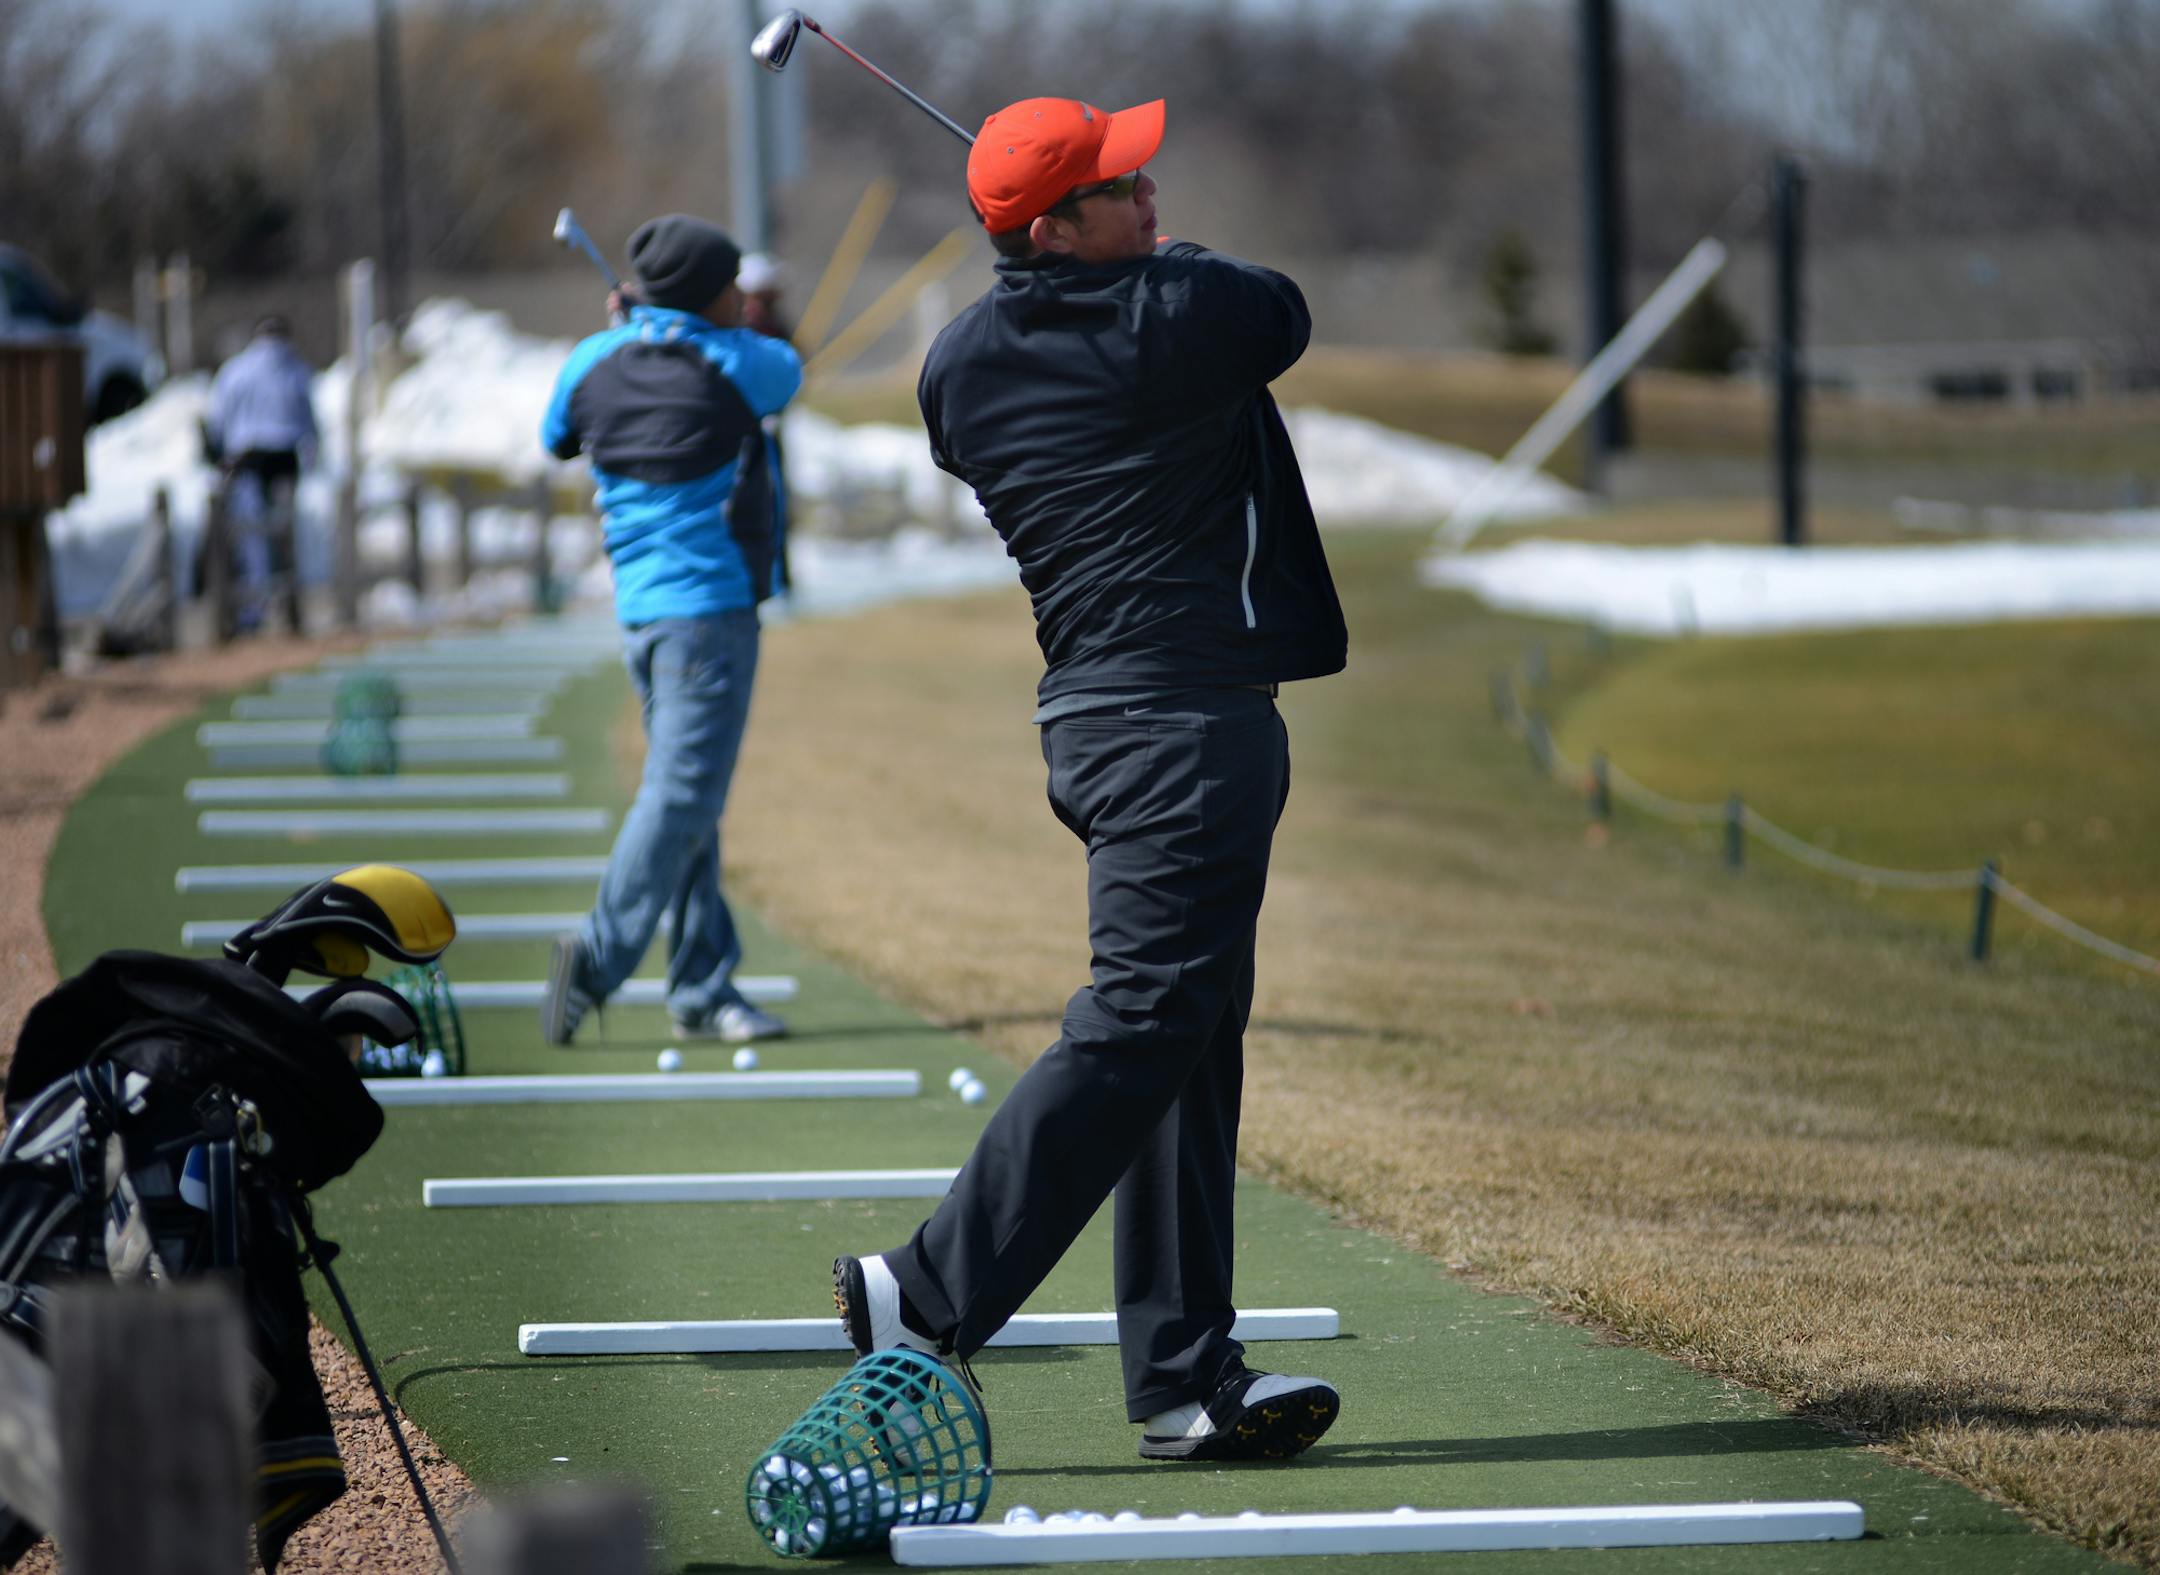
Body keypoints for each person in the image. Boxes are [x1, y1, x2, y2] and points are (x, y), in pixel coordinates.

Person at [833, 97, 1349, 1462]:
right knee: (1145, 1016)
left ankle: (1185, 1374)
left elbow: (1113, 332)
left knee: (1187, 1033)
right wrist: (1142, 273)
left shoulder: (961, 363)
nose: (1154, 187)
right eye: (1125, 181)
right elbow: (1278, 312)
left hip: (1105, 719)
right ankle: (924, 1290)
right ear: (1055, 225)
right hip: (1180, 725)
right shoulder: (1176, 317)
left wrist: (1103, 264)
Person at [537, 215, 802, 1047]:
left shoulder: (591, 359)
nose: (742, 300)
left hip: (642, 615)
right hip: (710, 613)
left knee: (691, 797)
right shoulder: (736, 363)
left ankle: (699, 980)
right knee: (685, 792)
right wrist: (669, 329)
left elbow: (558, 438)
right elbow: (787, 369)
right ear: (714, 295)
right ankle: (598, 955)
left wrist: (632, 331)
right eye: (732, 289)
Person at [204, 315, 316, 632]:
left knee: (251, 536)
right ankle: (288, 605)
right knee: (285, 534)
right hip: (285, 458)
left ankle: (253, 610)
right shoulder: (296, 369)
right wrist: (312, 457)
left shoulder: (236, 370)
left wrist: (219, 454)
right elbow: (310, 422)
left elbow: (218, 419)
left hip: (248, 457)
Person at [734, 252, 797, 598]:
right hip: (746, 433)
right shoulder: (742, 329)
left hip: (771, 428)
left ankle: (780, 578)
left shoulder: (775, 324)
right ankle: (763, 578)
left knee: (779, 503)